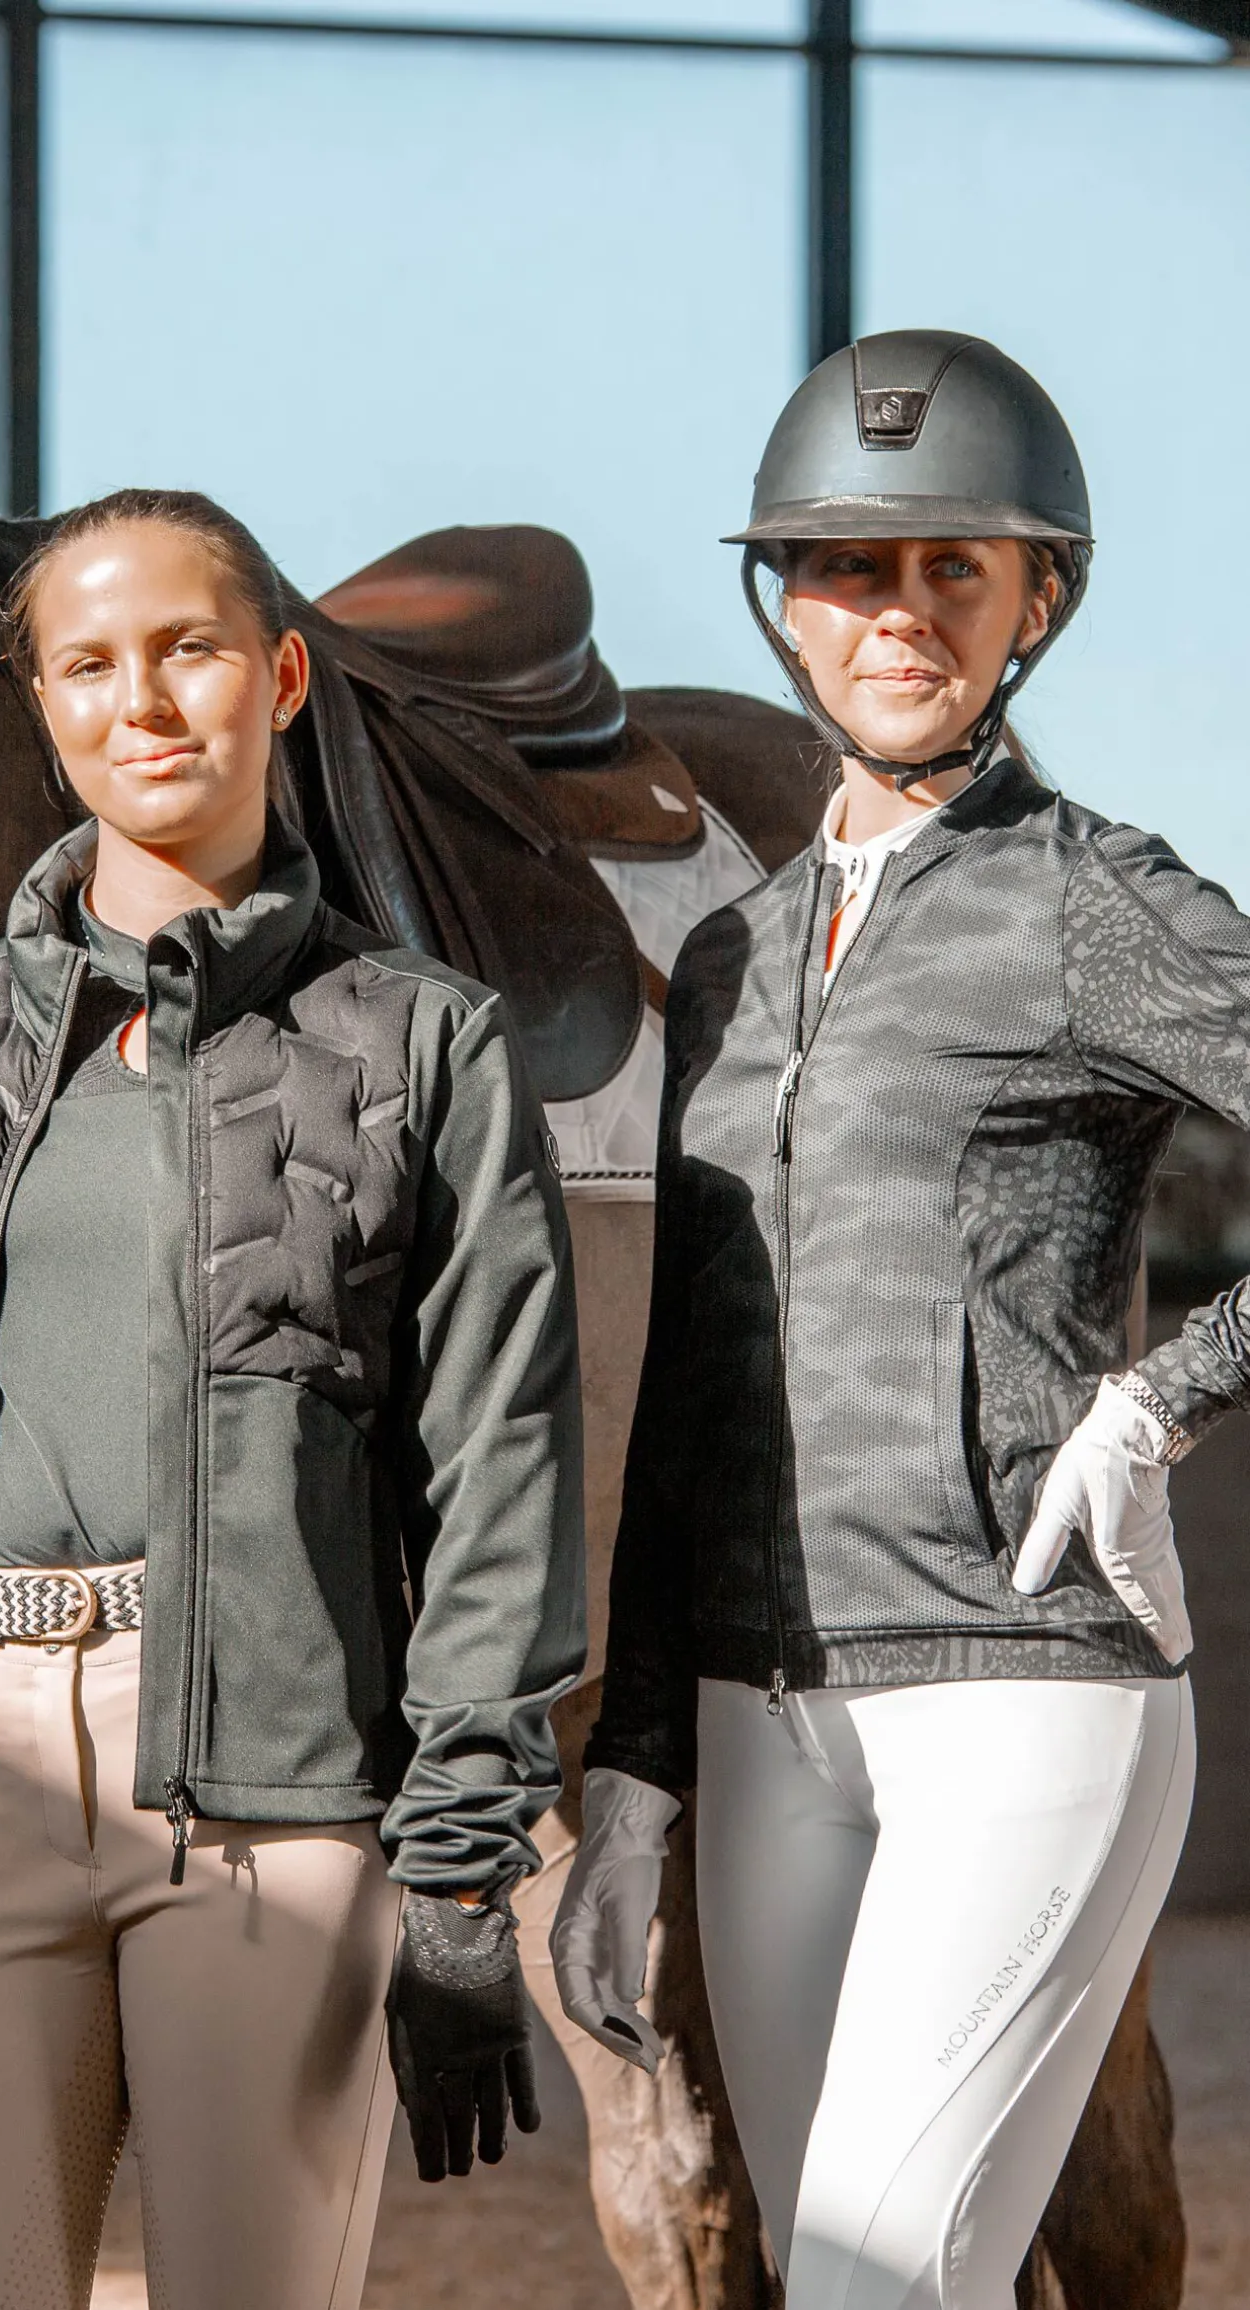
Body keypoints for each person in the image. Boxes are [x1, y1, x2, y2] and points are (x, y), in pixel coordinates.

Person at [0, 488, 585, 2310]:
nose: (146, 700)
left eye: (190, 648)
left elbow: (496, 1477)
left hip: (274, 1808)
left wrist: (457, 1879)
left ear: (281, 677)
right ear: (43, 707)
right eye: (90, 664)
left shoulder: (425, 1038)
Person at [550, 330, 1247, 2308]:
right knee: (826, 2271)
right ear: (783, 603)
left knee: (883, 2279)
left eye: (956, 568)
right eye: (848, 567)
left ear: (1040, 601)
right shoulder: (730, 955)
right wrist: (634, 1769)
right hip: (765, 1725)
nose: (898, 612)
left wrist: (1164, 1397)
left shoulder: (1098, 900)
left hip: (1022, 1691)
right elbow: (694, 1397)